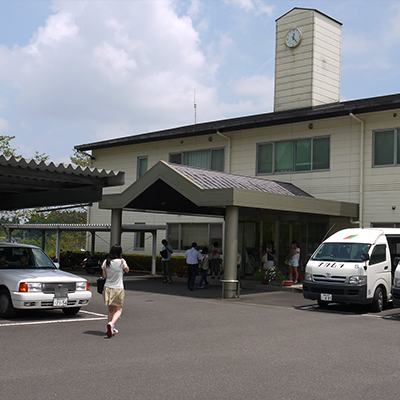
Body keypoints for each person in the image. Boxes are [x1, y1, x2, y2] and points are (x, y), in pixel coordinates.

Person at [101, 244, 129, 338]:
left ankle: (110, 328)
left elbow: (105, 276)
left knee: (110, 310)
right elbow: (127, 270)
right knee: (119, 309)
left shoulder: (106, 262)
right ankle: (111, 324)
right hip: (118, 288)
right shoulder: (121, 261)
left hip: (108, 288)